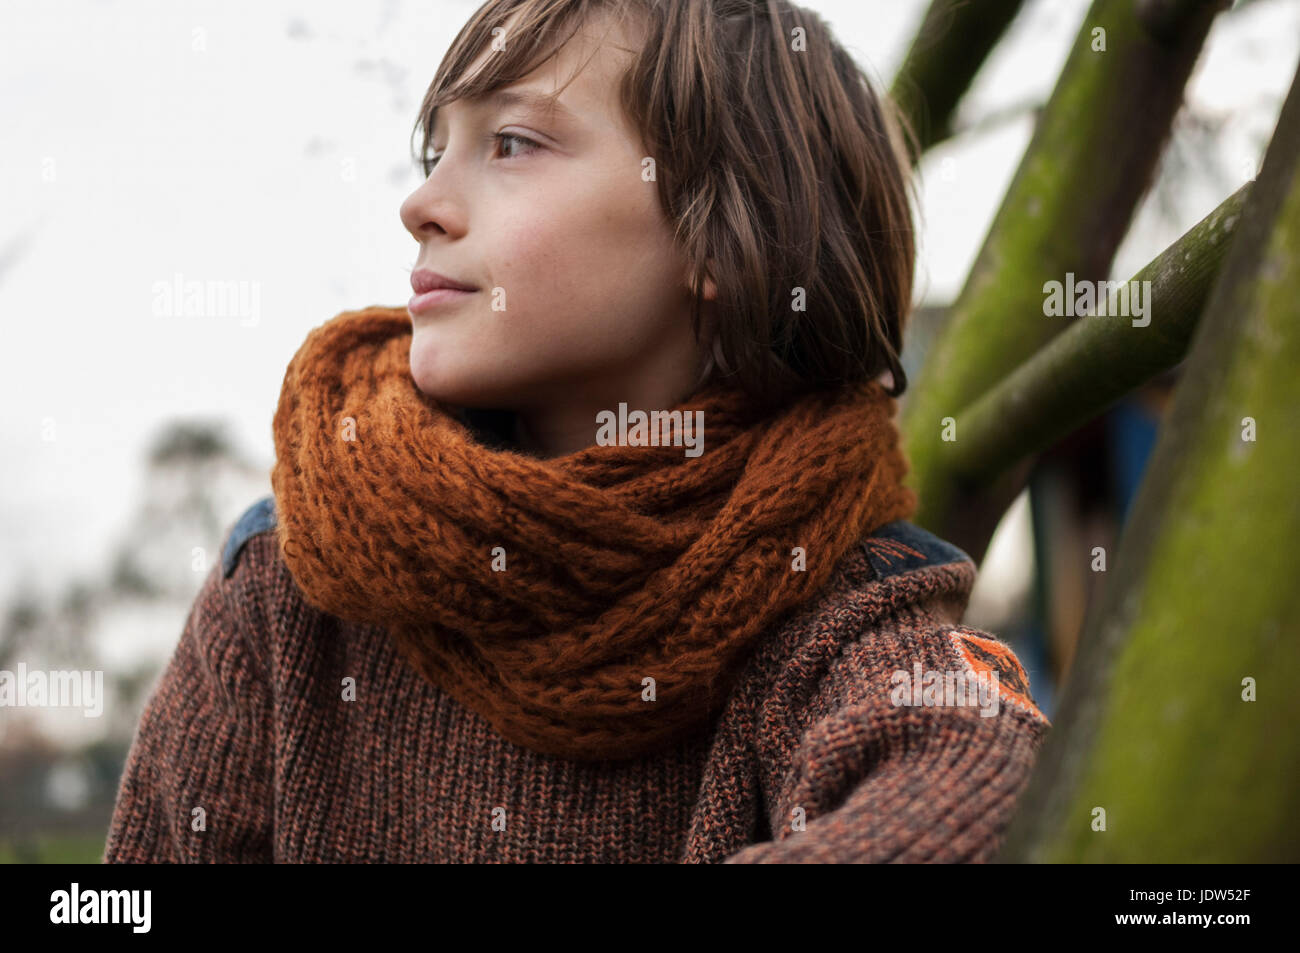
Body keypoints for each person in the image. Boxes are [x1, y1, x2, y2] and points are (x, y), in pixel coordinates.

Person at [103, 0, 1049, 864]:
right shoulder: (295, 573)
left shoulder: (839, 603)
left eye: (510, 143)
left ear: (721, 234)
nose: (422, 203)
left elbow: (985, 792)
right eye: (434, 151)